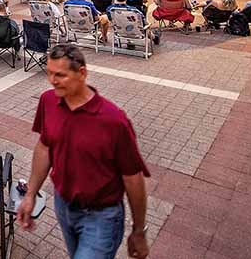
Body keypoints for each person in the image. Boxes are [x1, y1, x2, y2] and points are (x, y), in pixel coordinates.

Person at [16, 44, 150, 259]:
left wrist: (139, 231)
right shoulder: (48, 101)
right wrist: (30, 194)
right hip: (63, 205)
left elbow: (133, 178)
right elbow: (45, 147)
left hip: (101, 216)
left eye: (60, 75)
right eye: (49, 73)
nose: (52, 80)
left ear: (82, 73)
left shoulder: (114, 120)